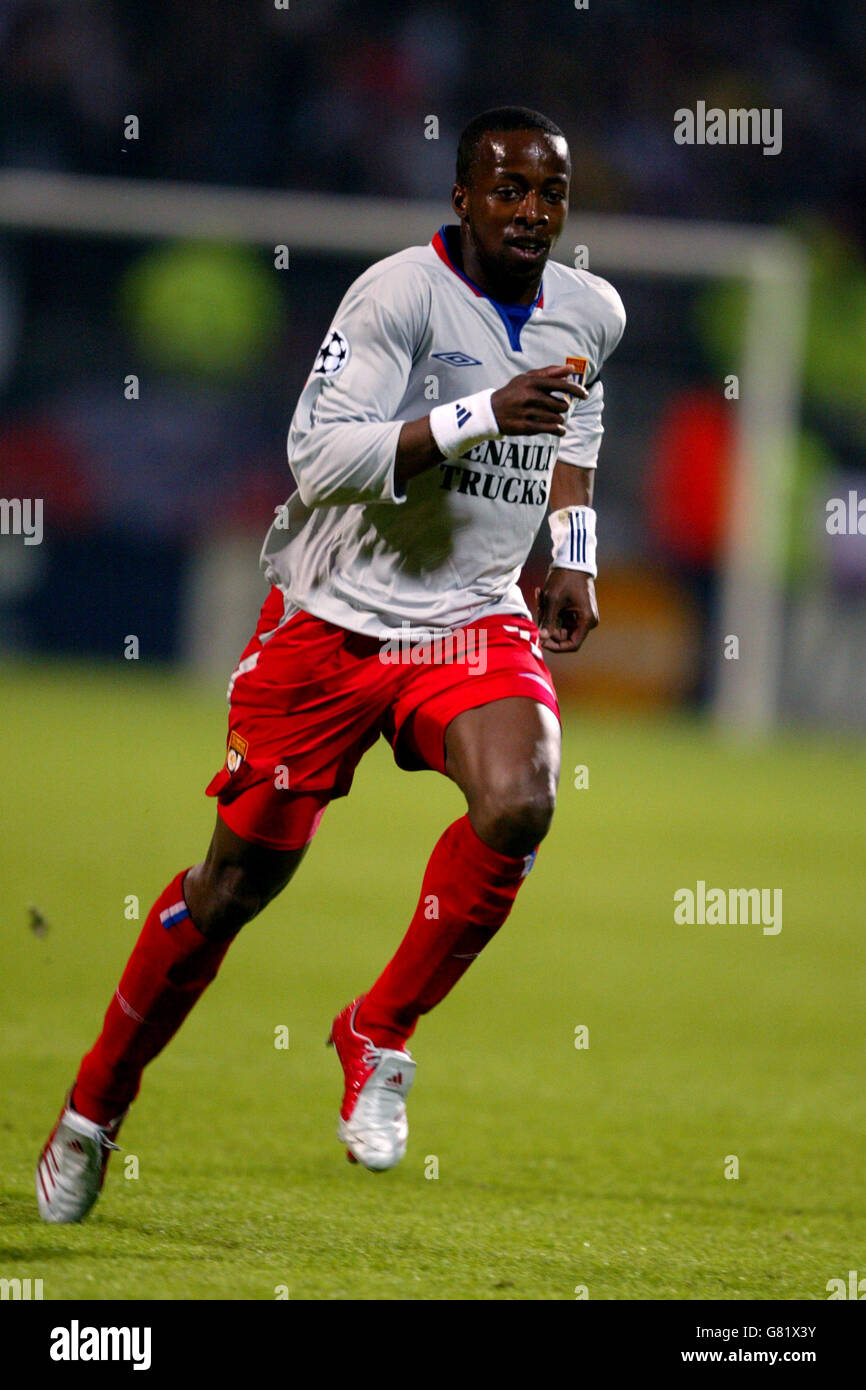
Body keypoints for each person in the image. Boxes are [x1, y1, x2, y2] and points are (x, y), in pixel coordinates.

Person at [37, 106, 625, 1222]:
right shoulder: (396, 294)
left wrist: (576, 555)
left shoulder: (590, 310)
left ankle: (379, 1027)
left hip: (465, 618)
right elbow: (319, 457)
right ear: (461, 197)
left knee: (520, 798)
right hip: (328, 623)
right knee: (232, 888)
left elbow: (576, 429)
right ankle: (92, 1108)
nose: (530, 211)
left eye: (548, 192)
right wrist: (472, 416)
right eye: (507, 190)